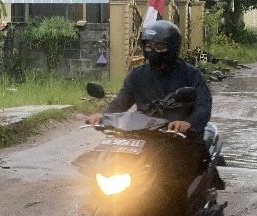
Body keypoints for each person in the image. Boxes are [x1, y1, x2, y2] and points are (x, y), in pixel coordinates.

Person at [86, 20, 224, 190]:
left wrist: (188, 124)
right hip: (145, 137)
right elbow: (121, 102)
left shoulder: (190, 74)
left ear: (172, 48)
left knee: (172, 183)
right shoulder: (137, 76)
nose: (153, 50)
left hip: (180, 140)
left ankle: (178, 214)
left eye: (159, 46)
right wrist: (104, 116)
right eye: (149, 45)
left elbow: (204, 106)